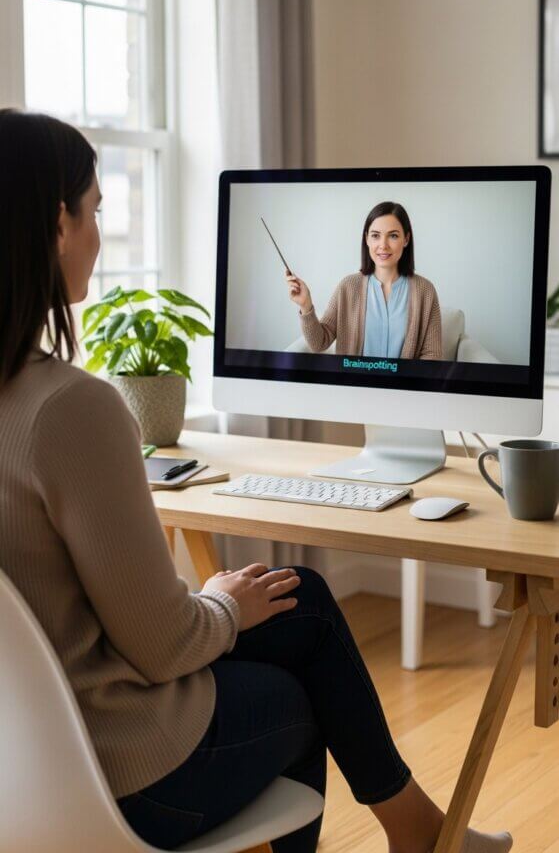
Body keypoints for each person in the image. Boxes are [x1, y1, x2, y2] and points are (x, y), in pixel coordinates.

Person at [0, 109, 510, 853]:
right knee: (300, 695)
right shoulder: (71, 409)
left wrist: (223, 606)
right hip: (118, 773)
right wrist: (218, 605)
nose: (100, 234)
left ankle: (423, 836)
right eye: (96, 212)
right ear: (56, 225)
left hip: (20, 763)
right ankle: (425, 839)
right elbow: (164, 646)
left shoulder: (30, 402)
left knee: (299, 600)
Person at [286, 201, 443, 360]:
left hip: (402, 385)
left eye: (393, 236)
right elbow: (319, 343)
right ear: (367, 239)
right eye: (375, 236)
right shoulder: (348, 286)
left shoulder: (425, 291)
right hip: (354, 383)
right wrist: (306, 305)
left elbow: (432, 355)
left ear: (406, 239)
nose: (383, 245)